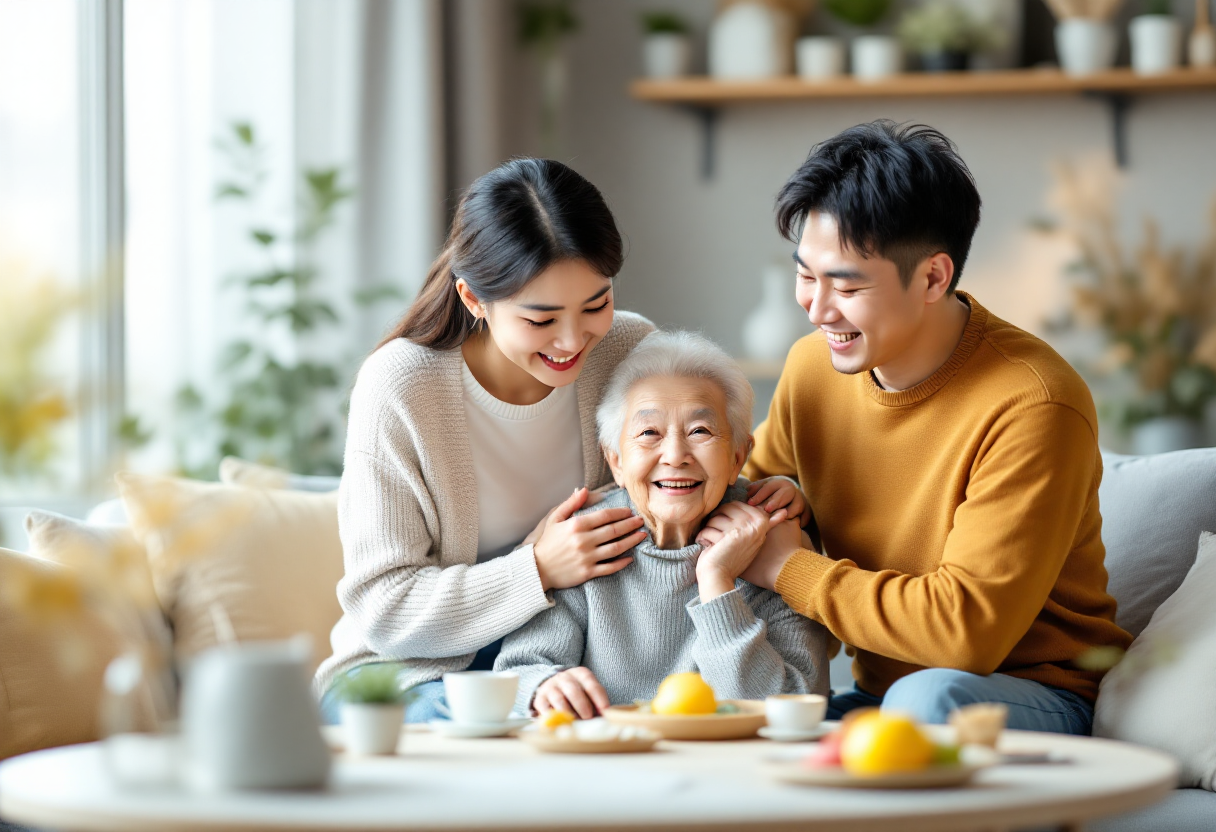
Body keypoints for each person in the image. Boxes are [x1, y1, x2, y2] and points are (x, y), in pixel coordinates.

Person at [315, 158, 807, 722]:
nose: (574, 340)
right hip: (409, 673)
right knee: (499, 733)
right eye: (541, 319)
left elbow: (683, 455)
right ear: (474, 299)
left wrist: (766, 494)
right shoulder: (402, 386)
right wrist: (537, 569)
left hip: (561, 664)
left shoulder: (625, 346)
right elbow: (385, 609)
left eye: (596, 303)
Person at [698, 121, 1132, 735]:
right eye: (805, 274)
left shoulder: (1033, 402)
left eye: (846, 284)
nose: (816, 308)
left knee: (925, 704)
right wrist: (782, 505)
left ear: (932, 277)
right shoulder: (812, 368)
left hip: (1029, 695)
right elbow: (734, 497)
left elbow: (964, 635)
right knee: (742, 731)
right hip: (886, 700)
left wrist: (789, 568)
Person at [495, 331, 828, 717]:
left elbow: (791, 706)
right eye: (649, 433)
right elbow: (518, 673)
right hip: (608, 761)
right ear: (616, 460)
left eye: (700, 431)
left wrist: (718, 584)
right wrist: (544, 687)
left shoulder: (774, 540)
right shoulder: (583, 539)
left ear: (738, 457)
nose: (675, 455)